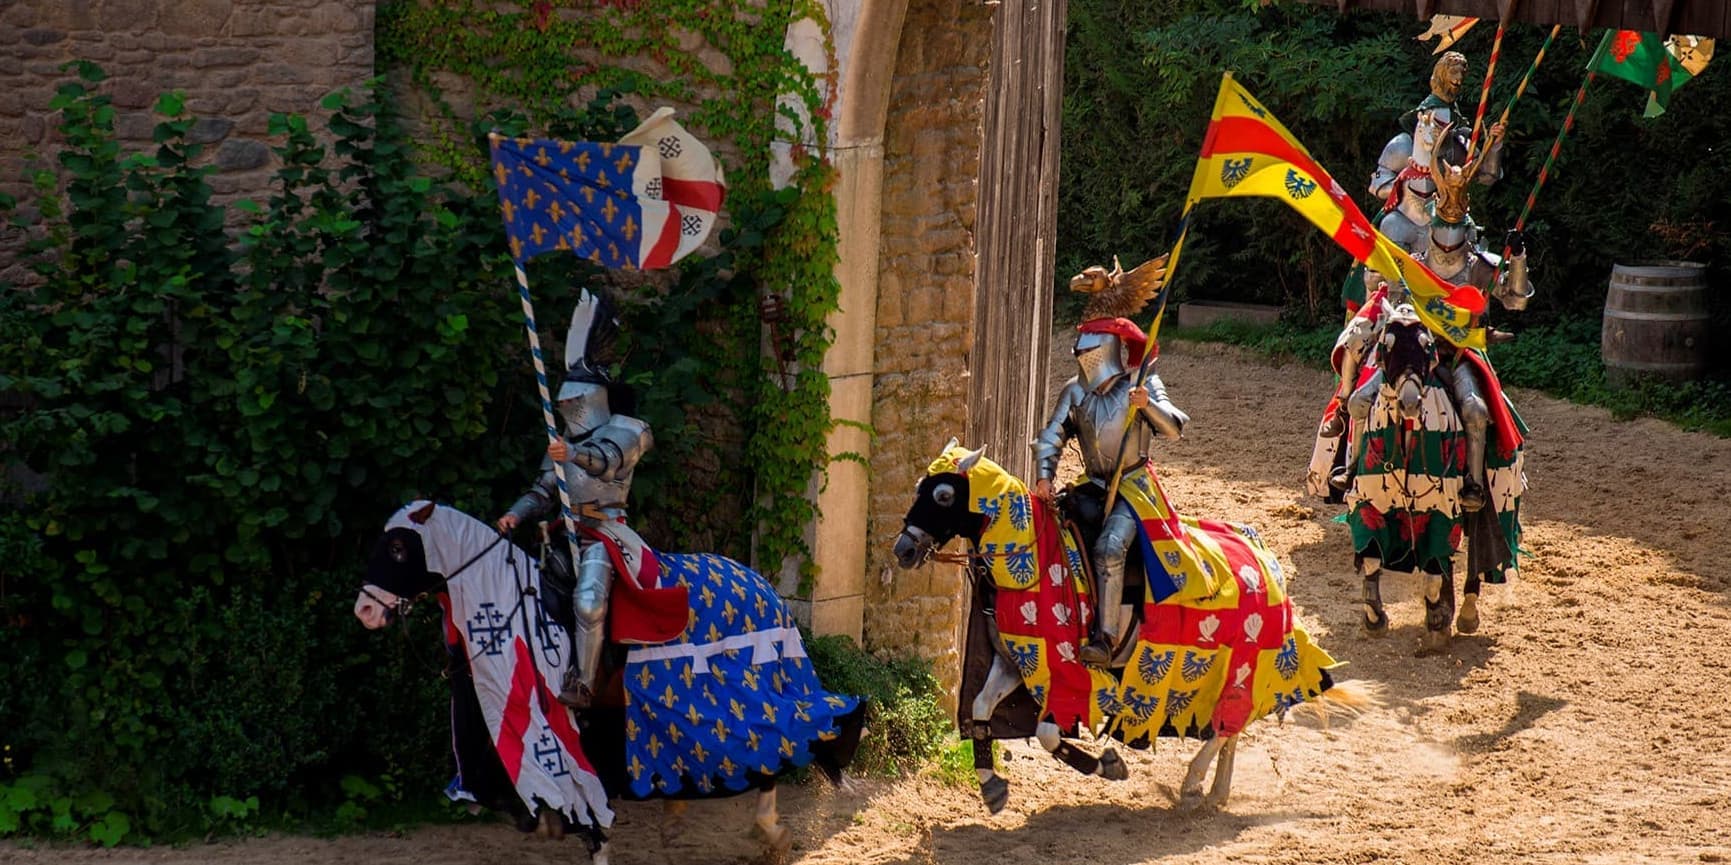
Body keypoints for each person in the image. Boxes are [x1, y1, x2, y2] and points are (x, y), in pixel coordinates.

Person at [496, 289, 653, 710]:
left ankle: (584, 684)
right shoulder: (565, 442)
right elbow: (543, 491)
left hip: (608, 534)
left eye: (574, 400)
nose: (570, 408)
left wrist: (573, 455)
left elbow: (607, 464)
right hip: (564, 535)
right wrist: (514, 515)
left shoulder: (628, 429)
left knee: (587, 602)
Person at [1031, 257, 1186, 669]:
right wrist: (1044, 477)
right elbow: (1052, 436)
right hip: (1094, 483)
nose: (1083, 355)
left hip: (1134, 490)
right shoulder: (1074, 391)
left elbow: (1174, 429)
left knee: (1108, 547)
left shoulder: (1143, 383)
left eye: (1091, 346)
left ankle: (1105, 638)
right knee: (1055, 537)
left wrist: (1147, 406)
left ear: (1110, 346)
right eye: (1081, 347)